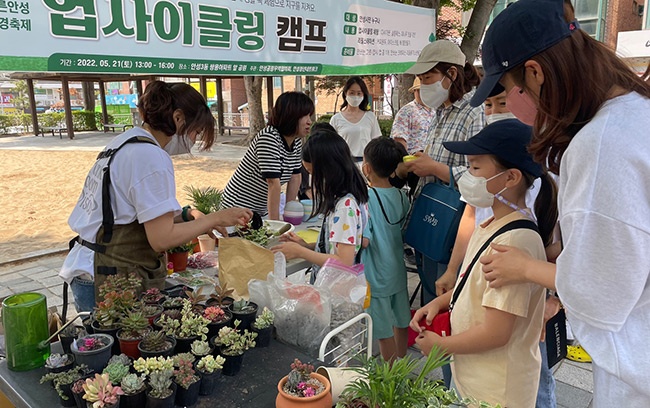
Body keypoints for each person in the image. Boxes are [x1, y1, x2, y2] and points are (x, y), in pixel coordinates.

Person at [470, 0, 650, 405]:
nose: (509, 105)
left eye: (507, 90)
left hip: (636, 374)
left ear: (534, 73)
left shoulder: (603, 145)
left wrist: (528, 268)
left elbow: (600, 292)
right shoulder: (636, 112)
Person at [59, 81, 252, 311]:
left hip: (89, 268)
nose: (194, 140)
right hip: (106, 274)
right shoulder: (150, 155)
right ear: (178, 118)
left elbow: (133, 212)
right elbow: (161, 238)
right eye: (196, 131)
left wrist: (189, 214)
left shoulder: (125, 142)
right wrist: (214, 219)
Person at [411, 119, 558, 407]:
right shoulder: (489, 223)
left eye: (476, 168)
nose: (468, 176)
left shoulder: (516, 241)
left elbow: (497, 332)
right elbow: (472, 286)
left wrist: (440, 346)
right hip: (477, 380)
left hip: (498, 390)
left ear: (511, 177)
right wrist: (438, 304)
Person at [397, 39, 484, 306]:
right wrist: (422, 162)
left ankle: (442, 347)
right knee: (430, 295)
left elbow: (480, 177)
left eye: (427, 77)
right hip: (431, 215)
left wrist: (435, 168)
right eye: (420, 79)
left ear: (452, 74)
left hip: (454, 224)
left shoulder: (474, 111)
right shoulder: (441, 111)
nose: (423, 85)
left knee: (446, 299)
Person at [271, 129, 368, 273]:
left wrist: (301, 252)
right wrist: (305, 246)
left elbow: (344, 261)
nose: (311, 179)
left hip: (336, 289)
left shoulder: (345, 208)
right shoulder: (342, 200)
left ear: (329, 170)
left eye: (312, 172)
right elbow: (335, 248)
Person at [221, 92, 314, 219]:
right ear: (291, 115)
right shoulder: (269, 138)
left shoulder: (296, 140)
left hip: (259, 210)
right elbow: (272, 183)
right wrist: (276, 225)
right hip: (237, 207)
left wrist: (289, 213)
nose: (309, 121)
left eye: (310, 116)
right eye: (305, 116)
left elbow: (295, 177)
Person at [360, 138, 411, 363]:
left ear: (366, 168)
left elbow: (364, 241)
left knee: (382, 331)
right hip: (398, 272)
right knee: (401, 320)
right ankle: (402, 360)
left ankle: (391, 375)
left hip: (376, 276)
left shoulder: (366, 199)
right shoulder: (402, 196)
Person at [329, 76, 382, 160]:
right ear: (346, 93)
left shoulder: (370, 116)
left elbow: (376, 142)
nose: (355, 96)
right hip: (344, 164)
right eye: (352, 93)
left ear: (363, 95)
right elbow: (331, 146)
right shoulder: (336, 119)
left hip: (367, 164)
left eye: (359, 93)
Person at [390, 77, 436, 154]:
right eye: (419, 91)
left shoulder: (435, 110)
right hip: (414, 159)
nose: (423, 94)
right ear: (414, 91)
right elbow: (399, 140)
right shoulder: (406, 111)